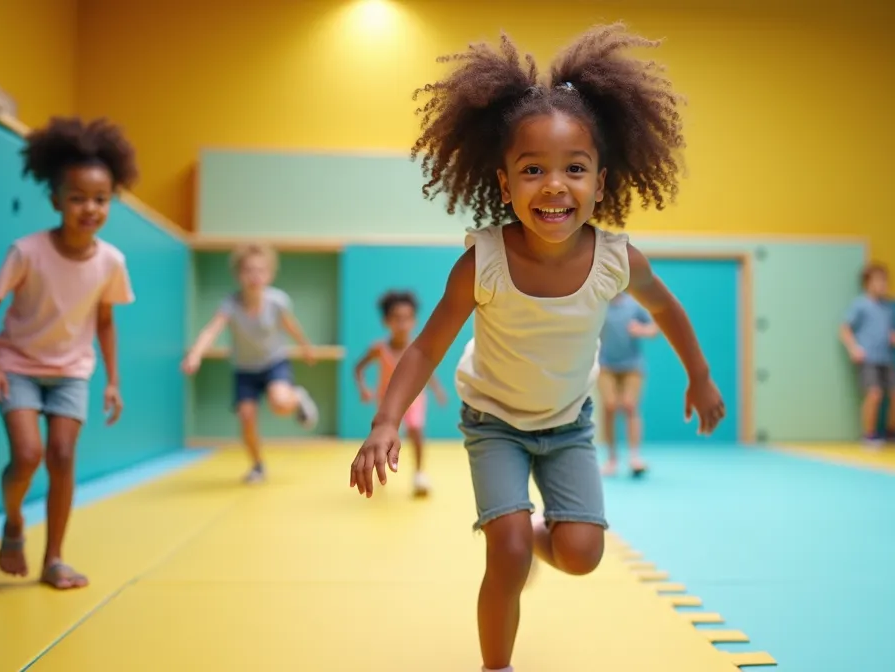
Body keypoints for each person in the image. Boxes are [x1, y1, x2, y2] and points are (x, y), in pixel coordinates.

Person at [347, 23, 725, 672]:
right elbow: (426, 346)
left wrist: (700, 375)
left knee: (580, 553)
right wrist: (385, 420)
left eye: (574, 169)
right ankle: (499, 662)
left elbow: (667, 307)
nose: (555, 186)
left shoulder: (616, 259)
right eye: (533, 170)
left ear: (601, 182)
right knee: (508, 554)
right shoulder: (483, 261)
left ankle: (532, 538)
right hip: (493, 421)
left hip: (568, 424)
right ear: (503, 182)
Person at [0, 117, 138, 590]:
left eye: (101, 199)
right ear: (55, 201)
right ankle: (12, 521)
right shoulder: (27, 251)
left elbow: (105, 321)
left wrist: (112, 380)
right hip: (18, 366)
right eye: (78, 198)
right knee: (27, 455)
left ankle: (54, 559)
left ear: (111, 201)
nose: (90, 208)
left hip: (71, 370)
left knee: (62, 455)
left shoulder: (111, 261)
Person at [182, 243, 319, 484]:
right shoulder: (230, 304)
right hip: (244, 369)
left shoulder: (277, 301)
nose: (254, 276)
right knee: (246, 417)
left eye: (260, 270)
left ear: (269, 274)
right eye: (248, 270)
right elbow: (211, 330)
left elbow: (290, 326)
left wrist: (305, 347)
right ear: (238, 275)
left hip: (274, 362)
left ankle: (296, 397)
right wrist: (195, 354)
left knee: (280, 404)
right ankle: (257, 465)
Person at [353, 289, 448, 497]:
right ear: (387, 321)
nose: (402, 324)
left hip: (414, 398)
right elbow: (358, 368)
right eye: (397, 319)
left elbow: (427, 370)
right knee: (383, 437)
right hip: (387, 401)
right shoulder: (379, 348)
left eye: (407, 319)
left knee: (416, 432)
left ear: (414, 321)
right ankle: (378, 470)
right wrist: (364, 389)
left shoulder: (417, 347)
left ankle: (420, 474)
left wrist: (438, 390)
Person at [839, 262, 895, 446]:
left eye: (885, 281)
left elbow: (891, 331)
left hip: (887, 358)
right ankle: (868, 435)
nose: (883, 285)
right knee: (874, 394)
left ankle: (892, 432)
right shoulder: (860, 305)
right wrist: (854, 348)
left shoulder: (889, 308)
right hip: (868, 357)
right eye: (878, 281)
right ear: (867, 283)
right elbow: (845, 329)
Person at [597, 292, 659, 476]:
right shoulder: (600, 303)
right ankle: (611, 458)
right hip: (605, 364)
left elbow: (655, 328)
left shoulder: (634, 304)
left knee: (630, 406)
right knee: (609, 406)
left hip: (632, 365)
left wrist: (642, 330)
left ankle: (634, 457)